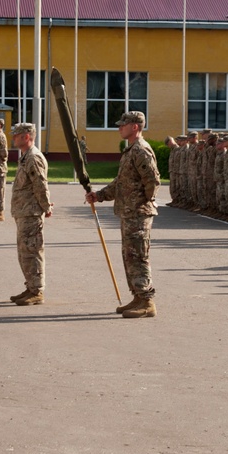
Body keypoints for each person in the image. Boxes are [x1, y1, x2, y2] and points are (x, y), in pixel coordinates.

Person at [86, 111, 161, 319]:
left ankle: (147, 301)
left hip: (138, 213)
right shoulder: (130, 151)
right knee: (130, 256)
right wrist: (99, 196)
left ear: (135, 127)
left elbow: (153, 181)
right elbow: (121, 183)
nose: (119, 128)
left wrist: (142, 201)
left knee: (138, 256)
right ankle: (138, 296)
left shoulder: (141, 150)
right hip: (129, 213)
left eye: (123, 125)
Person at [8, 123, 53, 306]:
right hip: (24, 212)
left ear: (26, 137)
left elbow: (40, 185)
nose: (13, 138)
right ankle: (30, 286)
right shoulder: (26, 157)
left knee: (32, 252)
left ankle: (37, 291)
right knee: (25, 252)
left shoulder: (34, 158)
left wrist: (46, 206)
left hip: (31, 213)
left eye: (16, 135)